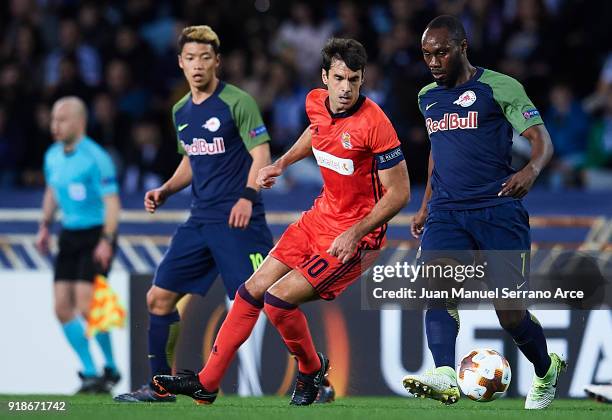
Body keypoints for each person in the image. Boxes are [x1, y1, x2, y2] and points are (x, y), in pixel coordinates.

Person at [153, 37, 410, 406]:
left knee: (277, 301)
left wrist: (355, 233)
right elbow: (315, 133)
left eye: (354, 80)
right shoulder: (315, 102)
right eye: (339, 78)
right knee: (252, 287)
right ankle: (207, 383)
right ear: (325, 77)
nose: (346, 88)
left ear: (362, 79)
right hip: (317, 219)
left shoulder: (376, 124)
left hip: (355, 236)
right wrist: (282, 162)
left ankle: (309, 371)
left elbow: (398, 193)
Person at [402, 15, 563, 410]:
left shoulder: (500, 86)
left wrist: (531, 169)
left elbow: (541, 138)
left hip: (497, 210)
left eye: (441, 52)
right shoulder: (427, 97)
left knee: (509, 315)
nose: (434, 61)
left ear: (462, 47)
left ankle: (546, 369)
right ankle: (442, 372)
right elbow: (437, 154)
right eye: (426, 55)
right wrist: (424, 206)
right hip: (446, 211)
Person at [113, 26, 275, 402]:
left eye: (205, 57)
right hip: (200, 220)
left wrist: (248, 196)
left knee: (270, 302)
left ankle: (315, 376)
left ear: (217, 61)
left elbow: (261, 155)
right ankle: (159, 388)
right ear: (180, 63)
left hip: (239, 219)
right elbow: (191, 159)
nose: (198, 65)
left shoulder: (238, 102)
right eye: (190, 58)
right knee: (158, 298)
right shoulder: (180, 110)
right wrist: (166, 190)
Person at [36, 96, 121, 393]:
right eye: (53, 119)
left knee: (87, 303)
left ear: (79, 122)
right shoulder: (52, 156)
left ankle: (111, 367)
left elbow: (112, 203)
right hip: (69, 233)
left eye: (61, 119)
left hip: (96, 234)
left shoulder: (97, 158)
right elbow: (52, 190)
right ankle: (89, 371)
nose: (54, 125)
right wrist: (45, 225)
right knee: (61, 307)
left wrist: (107, 240)